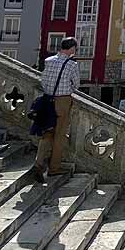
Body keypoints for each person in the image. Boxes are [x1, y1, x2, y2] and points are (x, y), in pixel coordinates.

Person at [30, 36, 80, 183]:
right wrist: (67, 89)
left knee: (47, 132)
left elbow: (43, 80)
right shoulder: (72, 64)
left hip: (47, 99)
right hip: (62, 101)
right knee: (59, 135)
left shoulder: (49, 60)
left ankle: (38, 164)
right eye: (75, 48)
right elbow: (76, 84)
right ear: (71, 48)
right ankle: (54, 168)